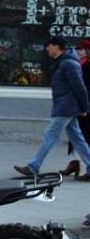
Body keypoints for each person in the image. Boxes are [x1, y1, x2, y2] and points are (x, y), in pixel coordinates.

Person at [15, 36, 90, 180]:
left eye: (48, 46)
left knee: (49, 136)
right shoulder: (64, 62)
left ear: (56, 46)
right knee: (77, 138)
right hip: (66, 105)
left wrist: (85, 106)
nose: (46, 49)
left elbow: (80, 87)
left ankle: (33, 166)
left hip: (66, 107)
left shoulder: (68, 63)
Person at [63, 38, 90, 178]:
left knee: (84, 135)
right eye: (78, 49)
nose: (78, 51)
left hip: (86, 105)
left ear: (87, 51)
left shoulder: (87, 65)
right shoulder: (77, 64)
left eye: (81, 49)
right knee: (75, 134)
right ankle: (74, 163)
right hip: (77, 104)